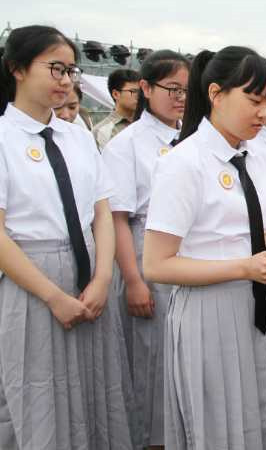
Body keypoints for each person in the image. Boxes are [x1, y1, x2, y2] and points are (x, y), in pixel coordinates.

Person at [142, 46, 266, 449]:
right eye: (253, 100)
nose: (263, 113)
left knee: (263, 413)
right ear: (215, 93)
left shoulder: (258, 158)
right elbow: (157, 265)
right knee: (219, 425)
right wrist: (243, 268)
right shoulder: (184, 162)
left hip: (259, 301)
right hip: (209, 311)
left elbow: (254, 235)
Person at [0, 25, 136, 449]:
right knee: (40, 394)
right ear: (18, 69)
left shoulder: (77, 136)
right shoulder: (3, 139)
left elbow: (101, 211)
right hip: (32, 280)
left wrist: (100, 280)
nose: (65, 80)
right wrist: (54, 296)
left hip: (91, 276)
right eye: (55, 68)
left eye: (71, 70)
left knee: (96, 390)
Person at [102, 50, 189, 449]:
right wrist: (134, 281)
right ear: (146, 88)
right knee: (152, 365)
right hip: (145, 255)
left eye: (187, 90)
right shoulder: (127, 145)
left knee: (186, 360)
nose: (180, 98)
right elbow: (118, 218)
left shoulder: (190, 137)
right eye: (172, 89)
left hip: (188, 257)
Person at [93, 68, 140, 150]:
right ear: (115, 94)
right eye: (133, 91)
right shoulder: (102, 130)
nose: (139, 96)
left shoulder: (148, 123)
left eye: (141, 92)